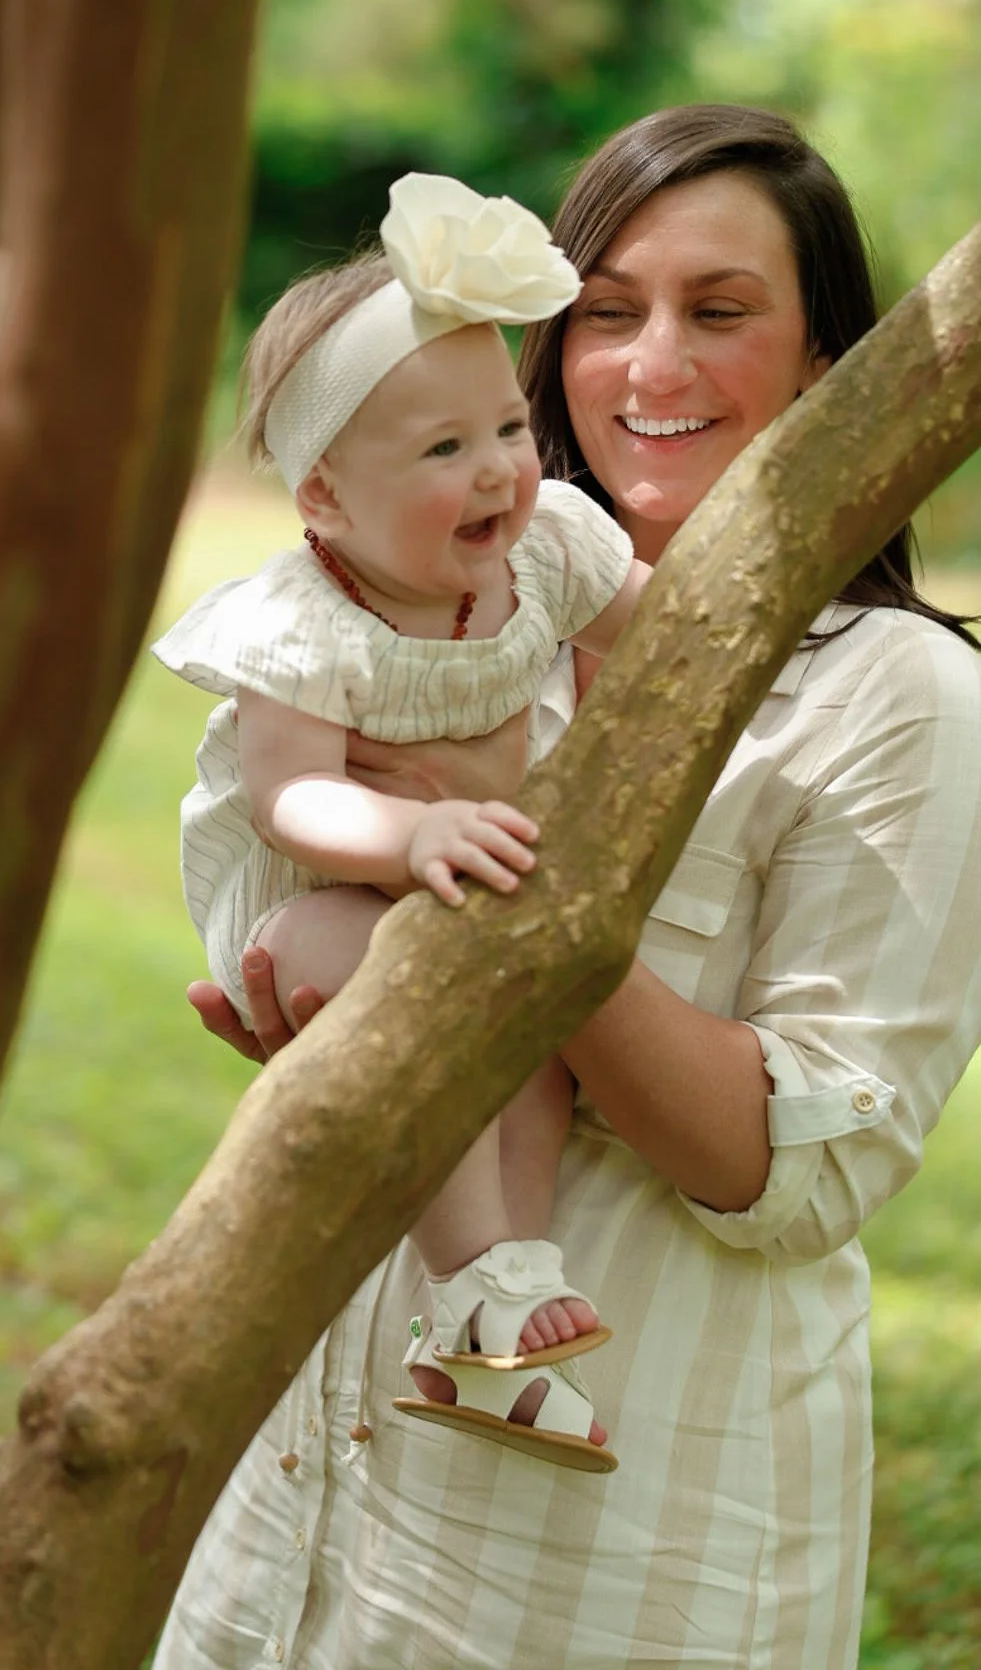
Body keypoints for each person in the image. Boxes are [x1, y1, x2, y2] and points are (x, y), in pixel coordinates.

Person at [154, 104, 981, 1670]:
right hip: (310, 1488)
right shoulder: (448, 624)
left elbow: (799, 1169)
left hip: (612, 1550)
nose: (649, 365)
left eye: (719, 313)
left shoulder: (898, 698)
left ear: (829, 366)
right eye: (607, 312)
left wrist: (530, 924)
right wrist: (340, 1012)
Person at [153, 171, 649, 1469]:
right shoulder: (306, 625)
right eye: (442, 451)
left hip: (452, 881)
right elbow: (294, 798)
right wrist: (408, 838)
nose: (498, 471)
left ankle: (489, 1310)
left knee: (527, 1032)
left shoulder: (547, 549)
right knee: (398, 980)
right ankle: (476, 1270)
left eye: (505, 428)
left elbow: (669, 634)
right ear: (324, 501)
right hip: (305, 903)